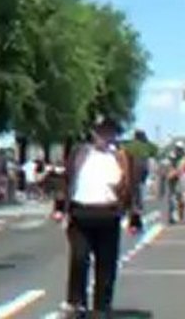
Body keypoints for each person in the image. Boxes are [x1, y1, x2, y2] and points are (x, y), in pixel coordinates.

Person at [60, 115, 137, 317]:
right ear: (93, 133)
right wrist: (60, 207)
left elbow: (130, 186)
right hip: (80, 212)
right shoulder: (80, 153)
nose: (104, 135)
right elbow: (67, 180)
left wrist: (133, 216)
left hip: (108, 214)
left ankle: (101, 306)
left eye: (108, 131)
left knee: (106, 263)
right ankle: (76, 303)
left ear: (113, 134)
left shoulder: (121, 156)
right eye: (100, 131)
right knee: (78, 258)